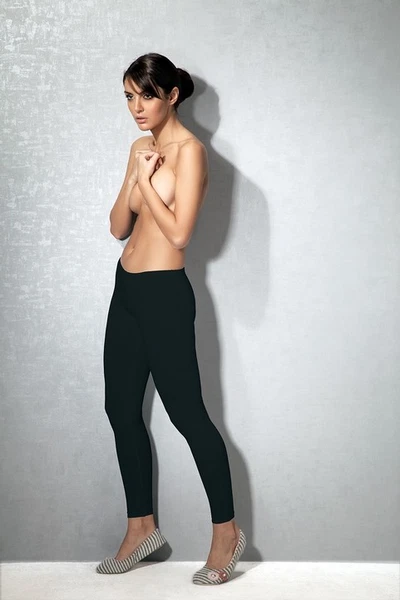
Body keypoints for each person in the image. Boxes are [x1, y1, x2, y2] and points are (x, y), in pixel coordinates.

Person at [96, 53, 246, 585]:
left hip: (164, 294)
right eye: (129, 97)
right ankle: (141, 528)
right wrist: (135, 177)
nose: (137, 107)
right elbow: (118, 227)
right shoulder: (140, 148)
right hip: (126, 290)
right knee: (120, 407)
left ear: (172, 95)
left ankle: (227, 534)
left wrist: (147, 182)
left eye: (146, 95)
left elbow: (180, 234)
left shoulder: (191, 153)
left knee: (188, 414)